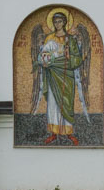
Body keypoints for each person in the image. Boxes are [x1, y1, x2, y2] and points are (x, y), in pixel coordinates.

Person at [32, 9, 87, 145]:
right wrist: (46, 61)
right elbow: (43, 56)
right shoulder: (49, 39)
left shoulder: (71, 40)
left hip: (66, 75)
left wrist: (69, 59)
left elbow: (77, 59)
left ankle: (68, 132)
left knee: (66, 103)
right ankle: (53, 132)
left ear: (64, 23)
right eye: (55, 22)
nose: (58, 24)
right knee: (53, 103)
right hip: (52, 75)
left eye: (60, 21)